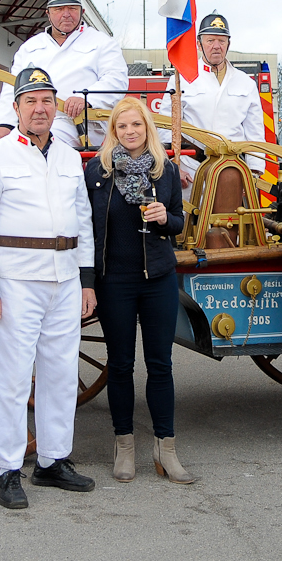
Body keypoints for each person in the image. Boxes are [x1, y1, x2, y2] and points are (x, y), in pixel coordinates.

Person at [0, 66, 98, 508]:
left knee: (60, 374)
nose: (40, 108)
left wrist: (86, 280)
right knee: (11, 377)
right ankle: (7, 468)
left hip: (64, 278)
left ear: (55, 106)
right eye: (31, 101)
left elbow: (83, 221)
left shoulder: (68, 157)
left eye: (47, 100)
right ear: (16, 108)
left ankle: (52, 460)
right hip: (16, 280)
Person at [85, 97, 193, 484]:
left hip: (157, 279)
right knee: (120, 365)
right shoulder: (98, 171)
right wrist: (88, 281)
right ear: (113, 132)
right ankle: (125, 446)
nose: (130, 132)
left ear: (147, 128)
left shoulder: (165, 171)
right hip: (114, 280)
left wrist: (166, 218)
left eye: (136, 125)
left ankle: (166, 449)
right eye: (122, 126)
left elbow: (179, 223)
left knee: (161, 365)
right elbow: (87, 228)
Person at [0, 0, 128, 150]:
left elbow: (116, 80)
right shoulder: (30, 47)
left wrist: (86, 98)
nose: (66, 14)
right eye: (59, 9)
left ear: (82, 12)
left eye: (72, 8)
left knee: (38, 146)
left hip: (77, 122)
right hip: (30, 121)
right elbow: (12, 87)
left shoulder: (102, 42)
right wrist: (3, 124)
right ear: (48, 13)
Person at [157, 12, 265, 191]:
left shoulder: (246, 83)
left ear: (228, 44)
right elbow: (166, 126)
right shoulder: (181, 78)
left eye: (222, 41)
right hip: (191, 170)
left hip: (233, 171)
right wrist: (173, 167)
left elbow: (255, 133)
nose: (216, 46)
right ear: (199, 44)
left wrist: (254, 173)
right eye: (210, 40)